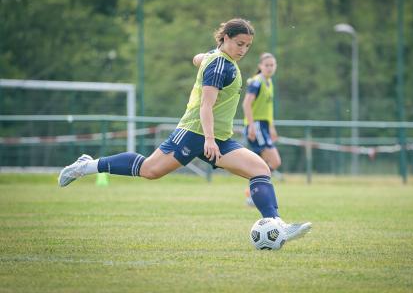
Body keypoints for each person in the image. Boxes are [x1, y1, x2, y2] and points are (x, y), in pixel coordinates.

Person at [58, 18, 311, 242]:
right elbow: (206, 105)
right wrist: (208, 139)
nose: (243, 50)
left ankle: (278, 225)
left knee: (260, 169)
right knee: (150, 170)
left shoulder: (216, 57)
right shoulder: (220, 66)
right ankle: (87, 165)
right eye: (239, 44)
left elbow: (197, 58)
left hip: (219, 138)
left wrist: (203, 59)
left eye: (248, 46)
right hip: (195, 133)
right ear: (225, 38)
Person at [242, 53, 282, 206]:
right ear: (260, 66)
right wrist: (251, 126)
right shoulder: (256, 82)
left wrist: (271, 127)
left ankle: (253, 193)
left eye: (272, 65)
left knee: (262, 165)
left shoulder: (269, 82)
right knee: (273, 161)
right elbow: (246, 104)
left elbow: (268, 109)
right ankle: (253, 193)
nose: (270, 68)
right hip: (256, 125)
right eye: (267, 65)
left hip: (264, 126)